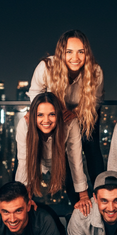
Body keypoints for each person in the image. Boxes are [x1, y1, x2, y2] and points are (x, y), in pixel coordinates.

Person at [27, 29, 105, 187]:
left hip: (84, 113)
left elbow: (96, 101)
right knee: (36, 142)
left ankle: (101, 191)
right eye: (69, 52)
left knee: (91, 148)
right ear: (61, 53)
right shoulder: (46, 67)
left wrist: (76, 113)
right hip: (54, 114)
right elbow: (35, 94)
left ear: (87, 53)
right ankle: (22, 191)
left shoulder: (95, 71)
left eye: (80, 52)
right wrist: (47, 113)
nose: (75, 58)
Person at [15, 92, 90, 208]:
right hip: (32, 158)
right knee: (19, 197)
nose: (46, 120)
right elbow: (24, 161)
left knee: (75, 193)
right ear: (33, 115)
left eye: (52, 114)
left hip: (60, 159)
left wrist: (84, 196)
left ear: (59, 115)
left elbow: (75, 159)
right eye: (40, 115)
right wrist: (24, 198)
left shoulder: (70, 123)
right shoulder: (24, 125)